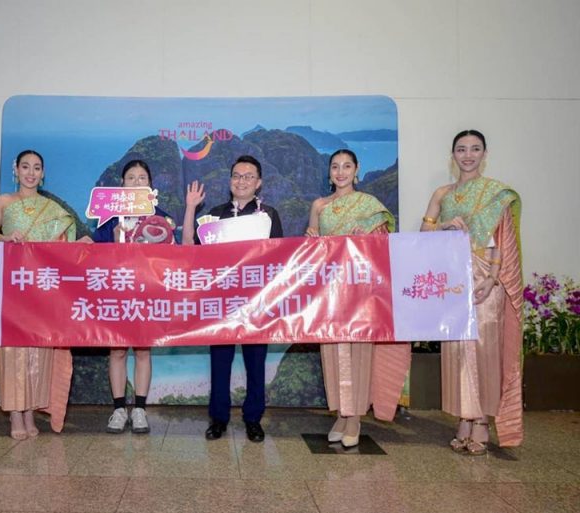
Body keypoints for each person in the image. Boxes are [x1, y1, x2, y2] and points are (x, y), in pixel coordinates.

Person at [421, 129, 523, 454]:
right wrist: (444, 226)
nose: (468, 155)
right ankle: (463, 418)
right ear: (453, 155)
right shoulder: (442, 193)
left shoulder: (496, 194)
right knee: (457, 350)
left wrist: (492, 278)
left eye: (475, 149)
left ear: (484, 154)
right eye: (461, 149)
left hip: (485, 280)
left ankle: (482, 421)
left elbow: (502, 240)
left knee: (485, 349)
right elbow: (424, 232)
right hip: (453, 279)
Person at [305, 149, 410, 448]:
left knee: (358, 352)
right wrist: (312, 241)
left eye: (347, 166)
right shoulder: (319, 206)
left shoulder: (369, 206)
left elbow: (383, 247)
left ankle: (355, 418)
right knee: (332, 352)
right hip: (330, 289)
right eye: (335, 167)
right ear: (329, 172)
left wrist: (365, 239)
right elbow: (312, 249)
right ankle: (341, 413)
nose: (341, 172)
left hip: (360, 290)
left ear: (356, 169)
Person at [183, 155, 283, 443]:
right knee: (220, 361)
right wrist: (190, 208)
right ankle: (218, 418)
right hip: (222, 301)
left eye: (248, 176)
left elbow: (278, 256)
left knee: (256, 362)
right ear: (230, 181)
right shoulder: (215, 215)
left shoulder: (269, 215)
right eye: (237, 176)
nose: (242, 181)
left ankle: (253, 419)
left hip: (256, 300)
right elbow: (189, 247)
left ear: (259, 183)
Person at [0, 149, 77, 440]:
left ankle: (30, 411)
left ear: (43, 173)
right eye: (25, 167)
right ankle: (15, 413)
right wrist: (4, 238)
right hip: (12, 283)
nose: (31, 173)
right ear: (16, 170)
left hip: (42, 286)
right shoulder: (4, 201)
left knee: (39, 350)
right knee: (12, 348)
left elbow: (62, 246)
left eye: (37, 168)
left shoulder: (52, 209)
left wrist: (79, 245)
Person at [93, 159, 176, 434]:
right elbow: (94, 252)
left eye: (142, 178)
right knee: (117, 350)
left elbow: (172, 255)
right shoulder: (109, 218)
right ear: (122, 184)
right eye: (131, 178)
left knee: (142, 350)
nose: (136, 182)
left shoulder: (160, 217)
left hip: (147, 291)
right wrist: (113, 239)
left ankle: (140, 409)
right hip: (116, 291)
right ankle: (119, 409)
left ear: (150, 185)